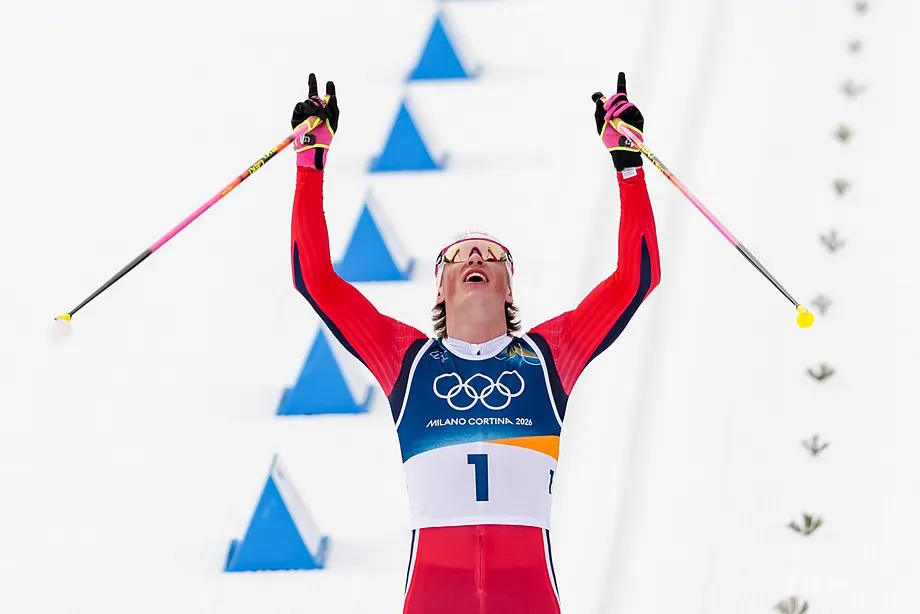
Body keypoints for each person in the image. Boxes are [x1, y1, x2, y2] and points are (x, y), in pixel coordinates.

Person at [289, 71, 660, 614]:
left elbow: (637, 277)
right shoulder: (406, 361)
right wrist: (310, 163)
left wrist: (629, 168)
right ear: (440, 286)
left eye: (490, 256)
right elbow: (315, 280)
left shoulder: (549, 355)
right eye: (459, 257)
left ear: (509, 286)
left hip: (527, 589)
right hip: (436, 591)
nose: (475, 260)